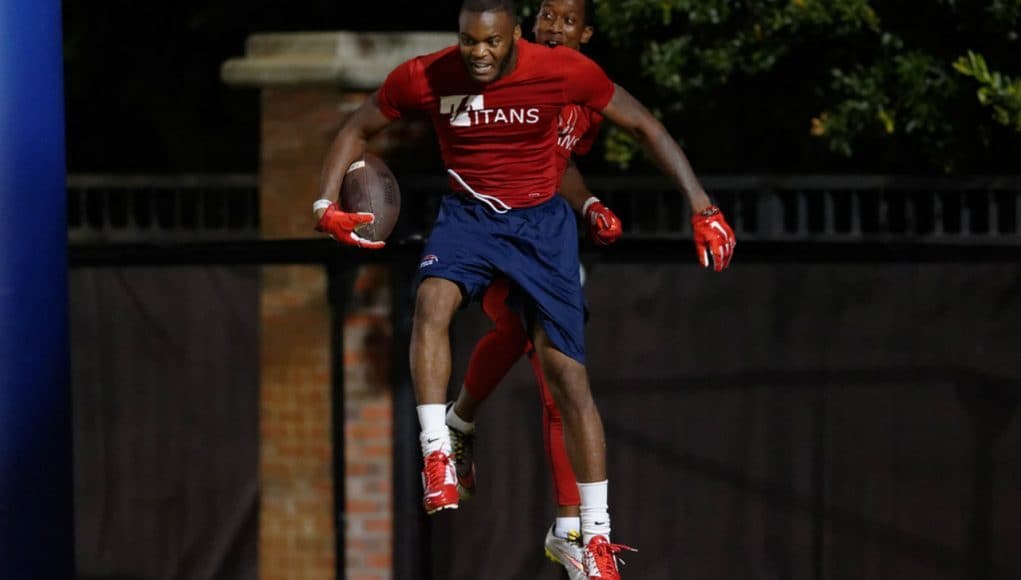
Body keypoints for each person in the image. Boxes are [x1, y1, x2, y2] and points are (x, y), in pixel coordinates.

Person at [312, 1, 736, 577]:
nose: (480, 54)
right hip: (471, 217)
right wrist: (324, 204)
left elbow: (634, 130)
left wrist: (694, 207)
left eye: (492, 43)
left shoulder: (568, 77)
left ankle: (586, 532)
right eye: (470, 42)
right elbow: (358, 126)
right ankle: (442, 451)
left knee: (563, 375)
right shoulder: (429, 74)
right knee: (438, 303)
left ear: (516, 39)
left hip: (541, 230)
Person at [440, 1, 620, 578]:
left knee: (555, 372)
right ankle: (569, 527)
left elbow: (557, 163)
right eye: (547, 15)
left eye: (569, 20)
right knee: (545, 358)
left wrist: (588, 202)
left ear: (587, 33)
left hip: (541, 238)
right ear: (527, 25)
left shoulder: (582, 92)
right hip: (489, 230)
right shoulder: (514, 72)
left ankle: (568, 526)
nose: (555, 27)